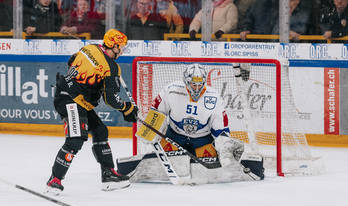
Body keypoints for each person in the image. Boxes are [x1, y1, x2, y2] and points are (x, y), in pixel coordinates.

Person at [117, 64, 264, 184]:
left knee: (212, 157)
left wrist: (224, 147)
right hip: (174, 137)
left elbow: (220, 130)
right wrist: (149, 132)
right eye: (193, 84)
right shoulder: (171, 90)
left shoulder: (214, 98)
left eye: (199, 84)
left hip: (202, 140)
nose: (196, 87)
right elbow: (157, 113)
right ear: (186, 81)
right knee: (170, 155)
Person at [46, 29, 138, 195]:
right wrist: (127, 108)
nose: (122, 50)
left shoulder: (90, 48)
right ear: (114, 46)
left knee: (100, 130)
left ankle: (108, 174)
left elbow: (71, 60)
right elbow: (110, 99)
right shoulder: (111, 67)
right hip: (70, 99)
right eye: (121, 47)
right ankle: (55, 180)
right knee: (75, 139)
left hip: (74, 98)